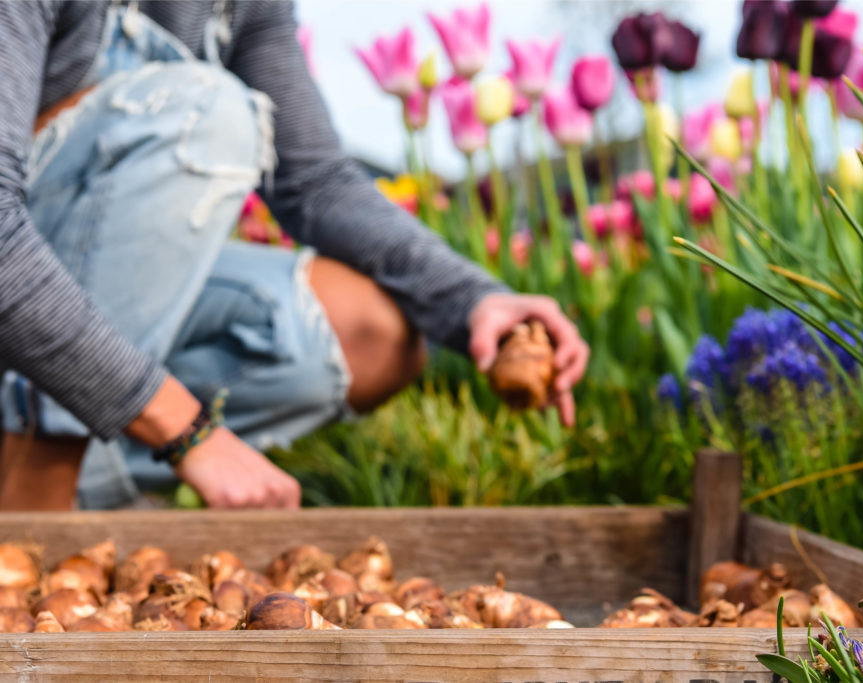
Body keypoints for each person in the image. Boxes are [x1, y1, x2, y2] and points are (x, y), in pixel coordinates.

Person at [0, 1, 589, 511]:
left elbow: (314, 182)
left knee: (369, 333)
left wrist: (473, 300)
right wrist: (186, 430)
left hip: (68, 309)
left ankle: (78, 475)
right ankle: (33, 497)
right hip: (20, 277)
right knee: (206, 114)